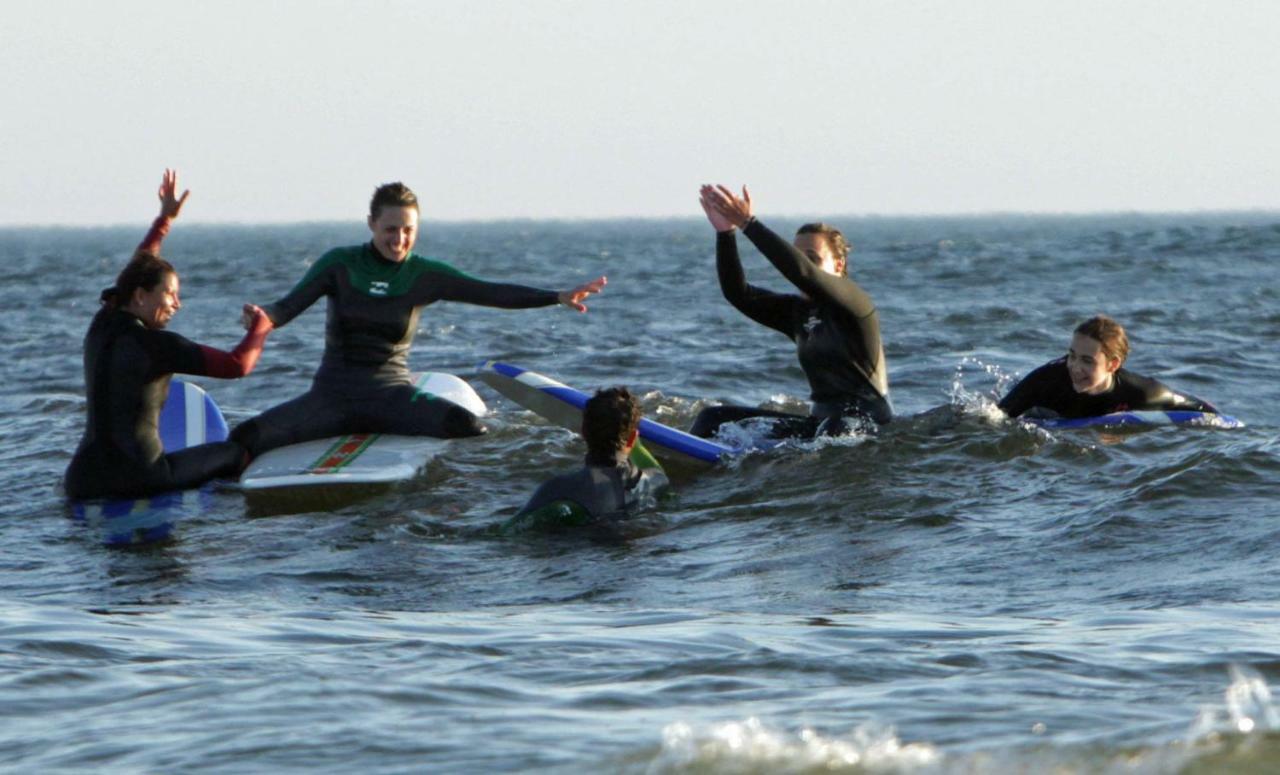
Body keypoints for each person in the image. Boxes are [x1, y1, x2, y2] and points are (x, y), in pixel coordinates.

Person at [230, 182, 606, 458]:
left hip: (390, 396)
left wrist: (555, 297)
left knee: (469, 428)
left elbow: (490, 292)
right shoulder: (340, 264)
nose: (399, 239)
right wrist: (262, 318)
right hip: (331, 397)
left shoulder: (425, 275)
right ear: (371, 224)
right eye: (391, 229)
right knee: (245, 438)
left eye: (408, 230)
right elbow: (286, 308)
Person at [65, 170, 274, 500]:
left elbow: (137, 267)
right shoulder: (157, 347)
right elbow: (237, 365)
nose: (177, 303)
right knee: (234, 453)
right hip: (140, 477)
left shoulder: (102, 321)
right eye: (170, 294)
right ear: (141, 296)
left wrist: (164, 219)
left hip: (81, 481)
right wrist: (263, 326)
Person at [689, 184, 891, 440]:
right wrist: (725, 233)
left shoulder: (857, 305)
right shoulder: (799, 313)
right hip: (819, 424)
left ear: (839, 265)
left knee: (833, 428)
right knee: (712, 418)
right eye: (798, 255)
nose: (803, 263)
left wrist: (748, 223)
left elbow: (801, 272)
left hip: (867, 425)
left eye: (812, 257)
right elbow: (737, 293)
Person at [505, 386, 668, 532]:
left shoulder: (559, 488)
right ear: (633, 439)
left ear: (583, 431)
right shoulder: (655, 482)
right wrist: (632, 439)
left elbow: (508, 531)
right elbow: (656, 470)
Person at [998, 314, 1219, 419]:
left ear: (1113, 364)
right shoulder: (1046, 381)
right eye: (1071, 355)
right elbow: (994, 417)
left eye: (1087, 361)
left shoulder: (1142, 392)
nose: (1074, 367)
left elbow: (1201, 409)